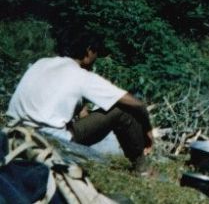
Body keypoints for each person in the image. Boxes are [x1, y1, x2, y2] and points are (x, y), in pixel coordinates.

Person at [5, 29, 153, 173]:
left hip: (14, 132)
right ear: (88, 52)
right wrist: (148, 130)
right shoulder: (81, 76)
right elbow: (137, 104)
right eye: (96, 53)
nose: (95, 60)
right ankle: (142, 169)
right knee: (121, 111)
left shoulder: (41, 63)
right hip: (50, 141)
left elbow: (68, 107)